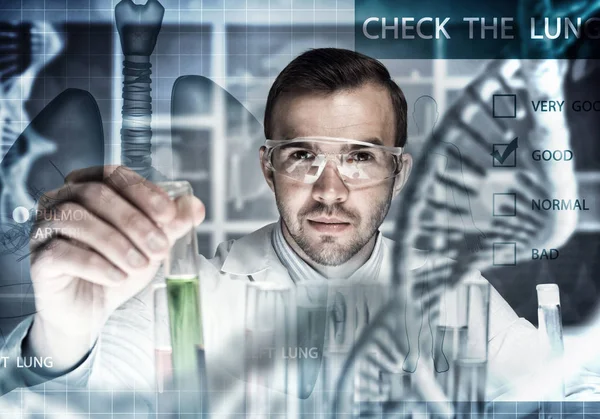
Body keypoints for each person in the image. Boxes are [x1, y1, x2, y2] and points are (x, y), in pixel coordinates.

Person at [0, 48, 598, 415]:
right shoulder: (192, 297)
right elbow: (60, 403)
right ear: (268, 166)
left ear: (398, 168)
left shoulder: (455, 298)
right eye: (302, 155)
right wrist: (61, 341)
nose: (330, 190)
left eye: (361, 156)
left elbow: (569, 396)